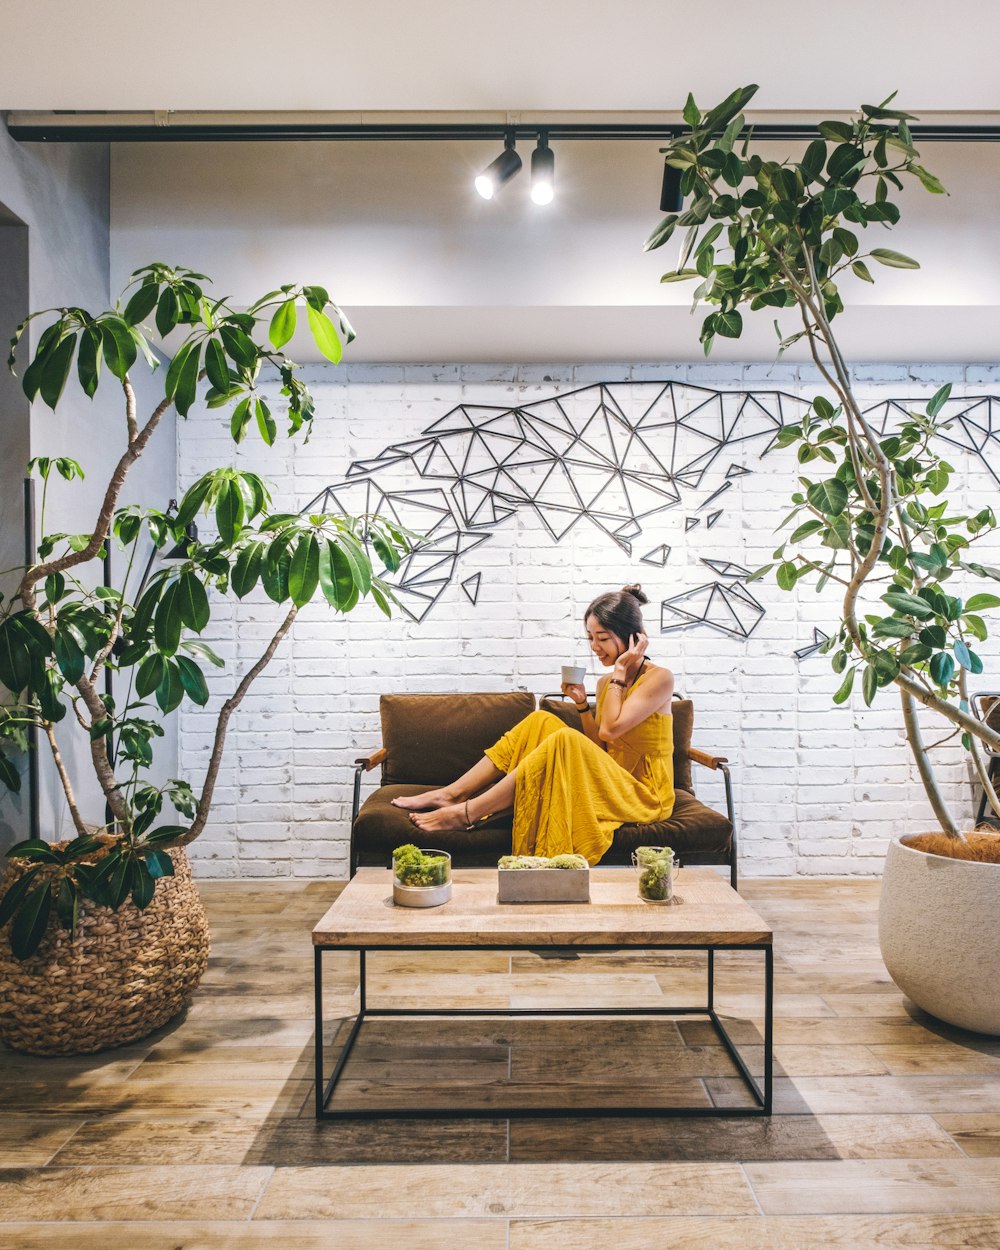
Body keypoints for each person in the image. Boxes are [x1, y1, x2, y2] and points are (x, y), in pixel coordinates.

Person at [392, 585, 675, 864]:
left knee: (565, 739)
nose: (594, 647)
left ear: (633, 637)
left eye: (602, 638)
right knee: (541, 720)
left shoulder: (658, 679)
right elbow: (601, 745)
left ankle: (468, 813)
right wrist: (580, 703)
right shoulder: (606, 683)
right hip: (611, 780)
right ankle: (452, 793)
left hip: (644, 794)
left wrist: (620, 672)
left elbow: (611, 729)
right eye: (590, 637)